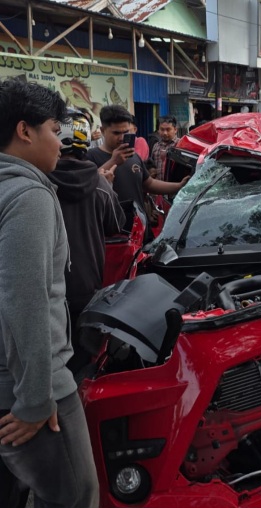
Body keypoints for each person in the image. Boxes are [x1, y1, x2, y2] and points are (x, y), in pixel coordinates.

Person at [0, 79, 99, 507]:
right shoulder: (28, 195)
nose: (61, 142)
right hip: (33, 388)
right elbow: (26, 301)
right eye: (54, 129)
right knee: (76, 496)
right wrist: (37, 399)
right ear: (25, 131)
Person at [48, 109, 124, 374]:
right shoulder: (100, 185)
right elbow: (116, 226)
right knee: (82, 361)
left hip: (48, 292)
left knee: (51, 362)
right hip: (88, 288)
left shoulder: (39, 183)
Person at [85, 105, 188, 236]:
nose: (122, 138)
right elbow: (87, 187)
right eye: (116, 133)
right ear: (103, 130)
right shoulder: (91, 157)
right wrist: (113, 161)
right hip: (112, 237)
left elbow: (148, 183)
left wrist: (179, 186)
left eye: (126, 132)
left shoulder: (133, 156)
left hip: (140, 232)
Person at [149, 115, 179, 180]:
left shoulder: (180, 145)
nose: (165, 133)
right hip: (158, 187)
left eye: (168, 129)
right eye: (162, 129)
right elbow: (152, 164)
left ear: (175, 130)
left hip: (175, 187)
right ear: (158, 130)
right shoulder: (156, 146)